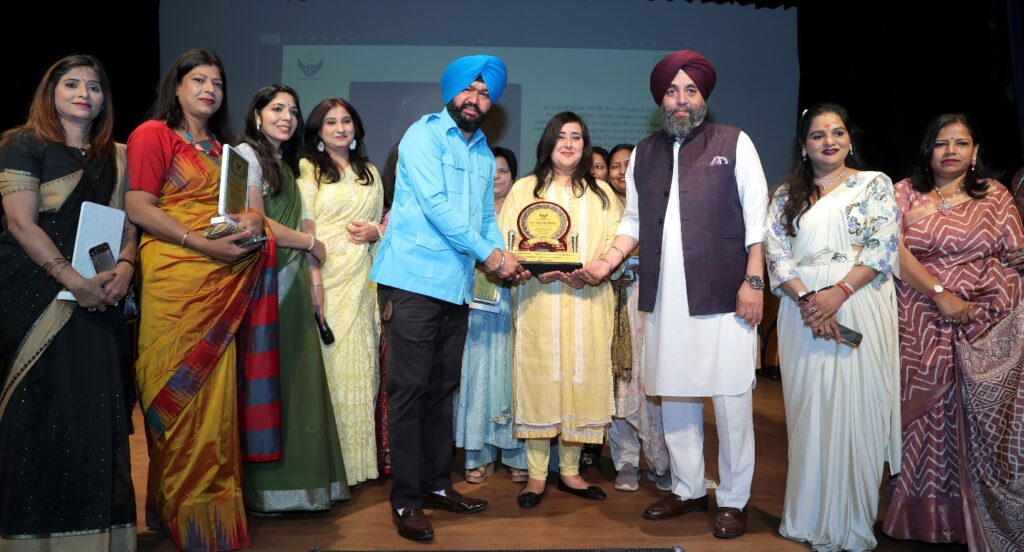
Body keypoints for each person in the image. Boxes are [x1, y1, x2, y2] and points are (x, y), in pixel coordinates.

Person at [577, 49, 768, 539]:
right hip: (665, 296)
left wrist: (753, 282)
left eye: (690, 90)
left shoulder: (735, 142)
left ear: (704, 97)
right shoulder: (645, 152)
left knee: (731, 398)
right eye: (671, 91)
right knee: (677, 394)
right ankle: (687, 488)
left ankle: (734, 498)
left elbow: (757, 218)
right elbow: (633, 220)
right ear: (660, 99)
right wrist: (607, 261)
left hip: (725, 294)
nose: (681, 100)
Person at [369, 54, 526, 541]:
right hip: (413, 282)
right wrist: (491, 256)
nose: (475, 100)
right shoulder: (423, 135)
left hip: (455, 288)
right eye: (469, 90)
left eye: (485, 94)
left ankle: (437, 484)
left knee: (442, 390)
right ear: (451, 91)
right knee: (410, 392)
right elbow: (436, 206)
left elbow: (484, 219)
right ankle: (405, 499)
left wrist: (502, 256)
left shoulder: (482, 153)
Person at [125, 49, 269, 551]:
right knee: (173, 397)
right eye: (199, 80)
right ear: (177, 86)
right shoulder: (153, 135)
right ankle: (179, 513)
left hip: (219, 285)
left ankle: (209, 522)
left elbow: (246, 214)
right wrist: (200, 244)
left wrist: (253, 223)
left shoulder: (226, 153)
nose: (209, 89)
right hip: (174, 281)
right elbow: (138, 205)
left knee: (214, 407)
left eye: (217, 83)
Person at [0, 54, 138, 551]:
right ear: (51, 92)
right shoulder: (24, 143)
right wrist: (71, 280)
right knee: (36, 415)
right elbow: (20, 223)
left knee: (95, 415)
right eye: (72, 84)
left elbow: (128, 224)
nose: (84, 94)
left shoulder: (117, 155)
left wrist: (126, 268)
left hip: (100, 298)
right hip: (35, 295)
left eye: (94, 87)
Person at [883, 113, 1024, 549]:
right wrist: (941, 294)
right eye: (941, 143)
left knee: (977, 421)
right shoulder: (904, 193)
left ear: (975, 151)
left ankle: (979, 518)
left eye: (961, 143)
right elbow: (893, 250)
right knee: (923, 416)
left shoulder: (996, 195)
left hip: (984, 320)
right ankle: (921, 519)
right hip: (918, 315)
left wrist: (978, 302)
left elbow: (1015, 255)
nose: (950, 151)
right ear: (928, 149)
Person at [764, 103, 901, 551]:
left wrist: (837, 294)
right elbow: (776, 254)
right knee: (809, 414)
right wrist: (809, 301)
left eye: (837, 132)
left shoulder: (874, 184)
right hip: (802, 310)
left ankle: (852, 523)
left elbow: (882, 247)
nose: (829, 141)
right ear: (804, 146)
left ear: (850, 140)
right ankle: (806, 517)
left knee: (859, 414)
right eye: (818, 135)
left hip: (858, 300)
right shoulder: (786, 195)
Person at [236, 84, 349, 512]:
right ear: (257, 115)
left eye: (293, 111)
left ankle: (305, 487)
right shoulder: (246, 156)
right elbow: (254, 221)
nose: (287, 117)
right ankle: (266, 492)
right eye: (277, 109)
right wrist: (311, 243)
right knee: (269, 381)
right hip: (266, 282)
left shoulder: (285, 163)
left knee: (298, 382)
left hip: (293, 281)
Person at [501, 111, 620, 508]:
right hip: (538, 300)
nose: (569, 144)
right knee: (541, 379)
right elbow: (507, 239)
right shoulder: (525, 189)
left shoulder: (601, 194)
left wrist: (594, 270)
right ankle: (536, 476)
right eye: (562, 136)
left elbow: (617, 241)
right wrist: (530, 267)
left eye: (577, 137)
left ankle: (570, 472)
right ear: (549, 142)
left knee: (580, 379)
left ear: (585, 145)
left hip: (588, 301)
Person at [297, 97, 383, 486]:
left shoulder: (371, 173)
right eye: (330, 122)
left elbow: (384, 226)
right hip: (326, 278)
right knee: (330, 367)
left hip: (363, 280)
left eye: (346, 120)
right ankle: (327, 466)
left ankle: (356, 466)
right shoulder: (309, 169)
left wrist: (376, 231)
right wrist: (314, 279)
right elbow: (306, 230)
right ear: (318, 131)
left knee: (359, 369)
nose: (340, 128)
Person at [455, 146, 528, 484]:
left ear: (514, 176)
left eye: (503, 171)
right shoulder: (468, 210)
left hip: (517, 302)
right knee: (478, 376)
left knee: (513, 377)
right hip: (476, 304)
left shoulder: (526, 211)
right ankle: (477, 454)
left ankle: (517, 455)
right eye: (490, 171)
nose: (496, 177)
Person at [602, 142, 672, 493]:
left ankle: (661, 461)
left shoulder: (659, 202)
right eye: (615, 165)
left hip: (653, 303)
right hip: (609, 306)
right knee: (619, 382)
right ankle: (626, 461)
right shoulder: (600, 206)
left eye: (628, 164)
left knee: (653, 384)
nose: (620, 171)